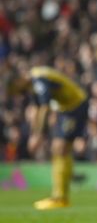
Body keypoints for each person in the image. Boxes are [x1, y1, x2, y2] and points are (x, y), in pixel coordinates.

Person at [8, 64, 88, 210]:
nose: (17, 93)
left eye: (16, 89)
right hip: (65, 108)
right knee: (60, 149)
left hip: (74, 106)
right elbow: (39, 109)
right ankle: (65, 183)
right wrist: (34, 134)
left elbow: (45, 107)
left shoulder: (38, 79)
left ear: (19, 80)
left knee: (59, 147)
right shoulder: (34, 81)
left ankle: (60, 196)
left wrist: (38, 135)